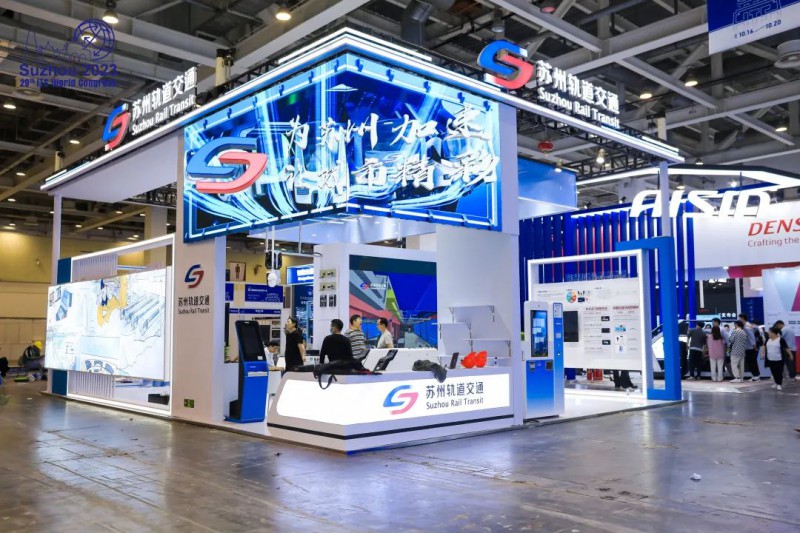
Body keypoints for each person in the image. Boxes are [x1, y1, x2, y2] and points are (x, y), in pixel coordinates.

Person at [761, 327, 791, 391]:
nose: (769, 333)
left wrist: (790, 354)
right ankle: (776, 382)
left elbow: (786, 348)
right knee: (773, 371)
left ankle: (779, 384)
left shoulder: (781, 339)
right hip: (770, 358)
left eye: (770, 332)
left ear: (773, 333)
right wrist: (762, 353)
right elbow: (764, 346)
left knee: (779, 372)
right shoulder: (768, 339)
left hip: (778, 359)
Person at [739, 313, 760, 382]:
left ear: (742, 318)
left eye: (739, 318)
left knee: (752, 362)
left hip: (751, 347)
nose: (739, 320)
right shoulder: (746, 326)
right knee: (750, 362)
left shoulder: (747, 326)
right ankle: (754, 375)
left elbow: (751, 337)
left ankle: (756, 376)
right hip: (748, 347)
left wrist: (754, 346)